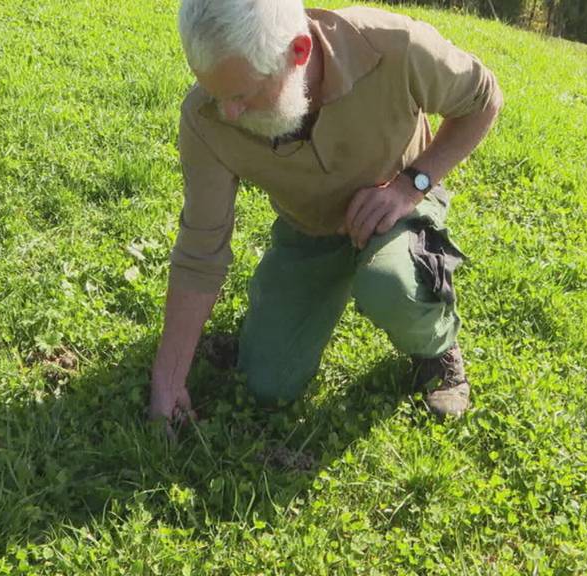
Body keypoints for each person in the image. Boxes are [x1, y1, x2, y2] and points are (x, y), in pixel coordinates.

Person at [149, 0, 503, 432]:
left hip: (399, 205)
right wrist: (167, 382)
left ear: (298, 52)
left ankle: (436, 349)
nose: (228, 113)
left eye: (240, 95)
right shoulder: (206, 117)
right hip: (310, 229)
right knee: (266, 384)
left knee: (389, 285)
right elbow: (200, 251)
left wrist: (412, 185)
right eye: (215, 92)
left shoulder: (393, 45)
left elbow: (483, 99)